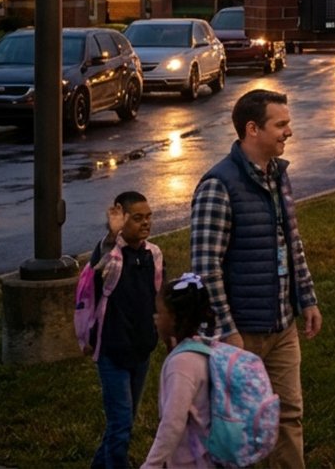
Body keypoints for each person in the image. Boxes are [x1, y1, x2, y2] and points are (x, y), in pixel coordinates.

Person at [190, 89, 322, 469]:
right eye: (280, 125)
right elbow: (205, 267)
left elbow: (292, 243)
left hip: (282, 326)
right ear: (252, 129)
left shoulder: (278, 177)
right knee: (239, 426)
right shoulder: (219, 186)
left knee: (288, 417)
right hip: (241, 334)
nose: (289, 132)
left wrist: (307, 300)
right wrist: (228, 331)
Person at [88, 191, 163, 469]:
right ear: (122, 218)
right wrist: (111, 234)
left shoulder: (153, 254)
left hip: (141, 351)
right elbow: (99, 269)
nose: (145, 223)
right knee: (120, 425)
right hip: (112, 353)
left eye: (148, 217)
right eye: (137, 218)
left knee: (125, 422)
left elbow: (159, 300)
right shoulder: (110, 254)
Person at [142, 273, 216, 468]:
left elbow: (172, 423)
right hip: (210, 456)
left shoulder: (181, 364)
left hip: (189, 460)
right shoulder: (208, 348)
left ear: (174, 318)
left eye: (159, 312)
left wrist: (151, 465)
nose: (155, 318)